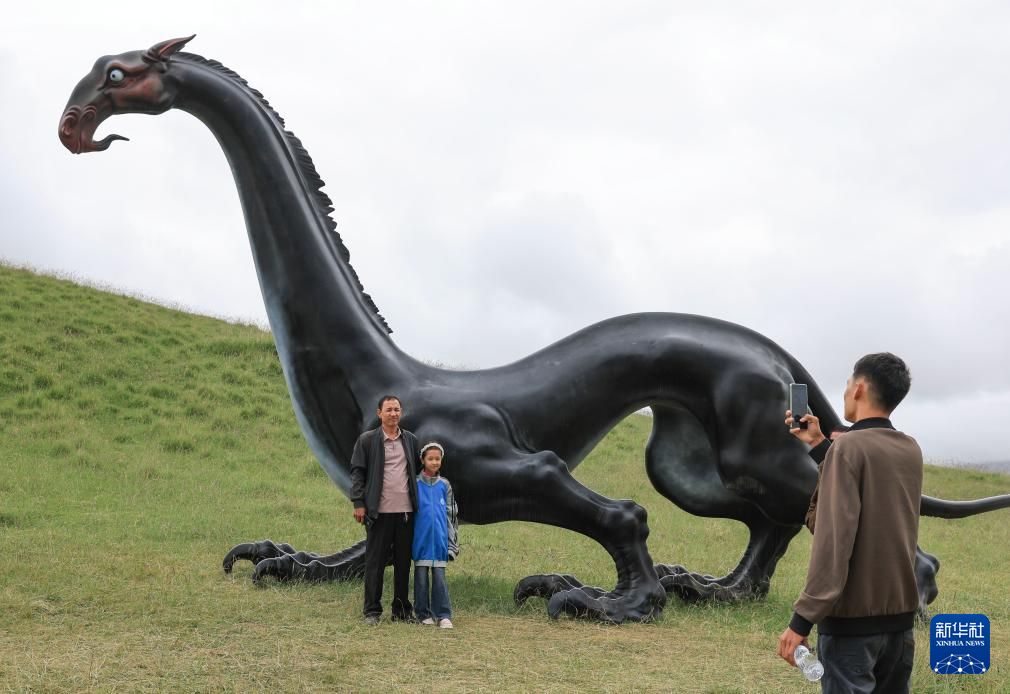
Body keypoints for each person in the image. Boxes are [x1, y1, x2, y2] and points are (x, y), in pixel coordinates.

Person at [777, 353, 922, 693]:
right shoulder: (910, 449)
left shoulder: (848, 449)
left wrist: (801, 620)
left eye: (847, 384)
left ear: (858, 389)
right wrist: (820, 445)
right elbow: (870, 493)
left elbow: (833, 541)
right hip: (900, 625)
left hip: (852, 627)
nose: (845, 391)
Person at [350, 395, 422, 625]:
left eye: (397, 409)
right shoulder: (367, 440)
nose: (393, 414)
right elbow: (358, 472)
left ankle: (401, 611)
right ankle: (372, 611)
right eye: (389, 410)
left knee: (403, 564)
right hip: (378, 513)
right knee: (375, 564)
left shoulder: (410, 440)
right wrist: (358, 503)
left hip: (406, 514)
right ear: (379, 413)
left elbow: (418, 470)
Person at [412, 442, 460, 628]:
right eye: (430, 458)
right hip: (420, 543)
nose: (434, 462)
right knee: (421, 580)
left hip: (439, 543)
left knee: (440, 580)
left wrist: (451, 543)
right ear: (423, 460)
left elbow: (451, 515)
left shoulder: (444, 485)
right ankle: (423, 614)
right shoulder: (415, 484)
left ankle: (443, 615)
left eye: (437, 459)